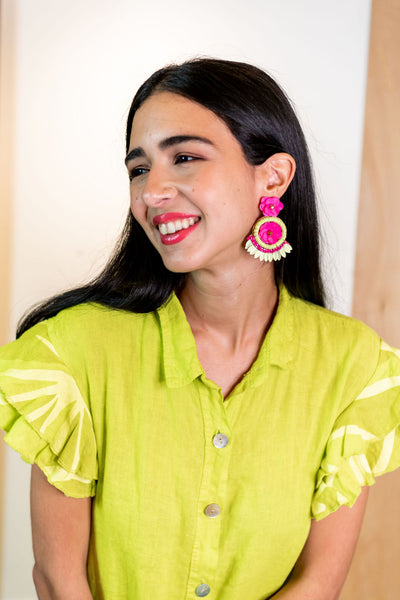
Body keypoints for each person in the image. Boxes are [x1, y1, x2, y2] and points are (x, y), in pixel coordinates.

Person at [0, 58, 399, 600]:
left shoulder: (356, 366)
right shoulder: (72, 351)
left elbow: (318, 583)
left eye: (184, 158)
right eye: (139, 169)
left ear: (273, 176)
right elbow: (57, 580)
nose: (151, 192)